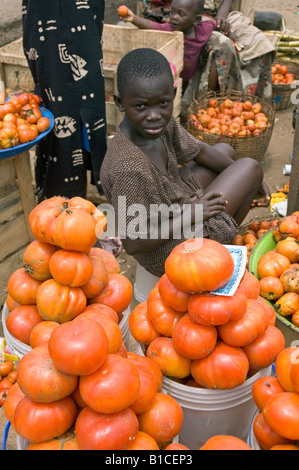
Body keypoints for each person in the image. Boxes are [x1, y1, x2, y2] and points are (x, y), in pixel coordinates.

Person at [100, 48, 270, 278]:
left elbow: (200, 151)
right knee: (250, 167)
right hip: (163, 251)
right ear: (120, 103)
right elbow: (133, 242)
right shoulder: (127, 168)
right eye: (140, 106)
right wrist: (193, 214)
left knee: (226, 152)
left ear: (173, 94)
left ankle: (217, 230)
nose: (153, 115)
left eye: (163, 103)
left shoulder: (161, 124)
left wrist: (249, 181)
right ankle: (213, 244)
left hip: (171, 205)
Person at [22, 0, 107, 201]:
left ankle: (78, 200)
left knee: (89, 93)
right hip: (45, 13)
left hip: (83, 13)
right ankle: (62, 201)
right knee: (55, 98)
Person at [138, 0, 276, 105]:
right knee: (223, 45)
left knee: (259, 42)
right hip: (185, 21)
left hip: (216, 17)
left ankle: (254, 104)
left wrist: (220, 19)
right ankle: (207, 104)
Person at [119, 0, 216, 92]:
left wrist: (227, 30)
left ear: (196, 20)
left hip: (190, 76)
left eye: (181, 14)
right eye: (172, 12)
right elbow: (151, 25)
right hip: (171, 77)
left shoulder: (203, 29)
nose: (174, 17)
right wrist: (134, 19)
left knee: (183, 91)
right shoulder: (170, 29)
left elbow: (215, 23)